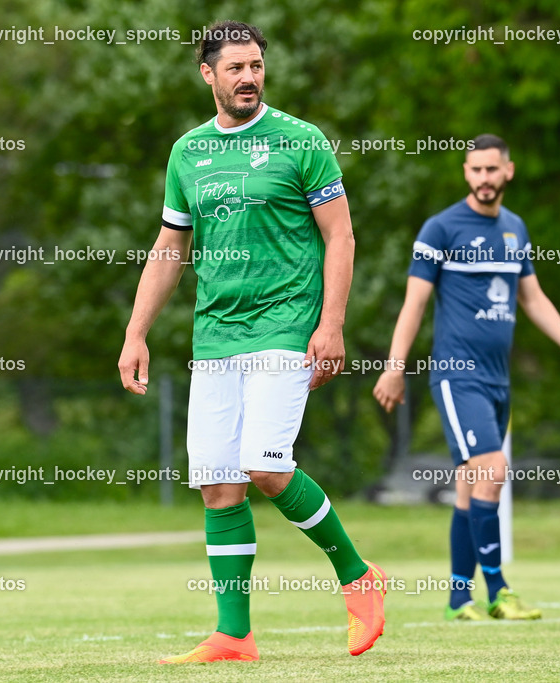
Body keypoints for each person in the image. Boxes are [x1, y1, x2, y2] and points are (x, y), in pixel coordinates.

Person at [118, 20, 386, 663]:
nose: (248, 77)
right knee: (217, 483)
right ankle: (234, 633)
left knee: (265, 464)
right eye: (234, 68)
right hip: (216, 334)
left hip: (287, 325)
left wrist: (332, 324)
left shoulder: (301, 141)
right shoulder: (188, 153)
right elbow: (171, 245)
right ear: (206, 74)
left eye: (256, 66)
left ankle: (357, 574)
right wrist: (135, 333)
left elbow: (340, 237)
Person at [372, 134, 560, 620]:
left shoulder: (515, 229)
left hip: (498, 381)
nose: (483, 179)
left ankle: (460, 598)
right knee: (493, 471)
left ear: (507, 172)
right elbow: (413, 304)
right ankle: (498, 590)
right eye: (475, 170)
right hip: (458, 376)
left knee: (471, 486)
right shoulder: (440, 229)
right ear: (465, 173)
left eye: (492, 170)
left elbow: (533, 298)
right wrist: (395, 368)